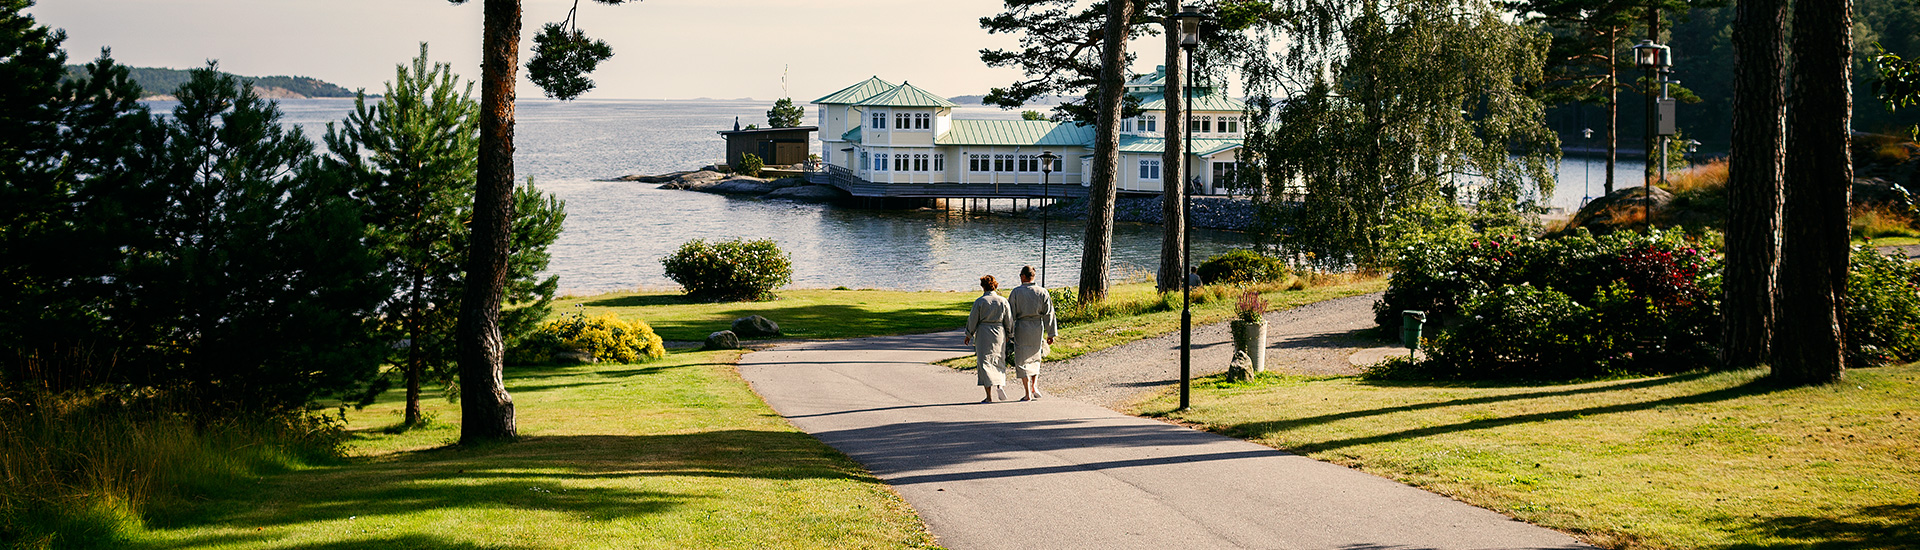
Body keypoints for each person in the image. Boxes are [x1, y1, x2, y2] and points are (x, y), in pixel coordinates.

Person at [1006, 265, 1057, 401]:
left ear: (1023, 276)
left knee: (1021, 359)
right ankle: (1034, 385)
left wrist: (1009, 333)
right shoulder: (1042, 292)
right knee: (1035, 356)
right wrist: (1051, 333)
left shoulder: (1016, 292)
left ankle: (1027, 392)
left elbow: (1010, 315)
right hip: (1036, 327)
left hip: (1022, 327)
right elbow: (1049, 313)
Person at [964, 274, 1012, 403]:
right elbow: (1008, 319)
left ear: (983, 286)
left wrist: (969, 334)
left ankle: (989, 396)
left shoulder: (980, 302)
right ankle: (1000, 385)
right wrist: (1009, 334)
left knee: (984, 361)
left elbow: (973, 319)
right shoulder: (1003, 301)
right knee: (999, 359)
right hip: (999, 332)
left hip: (984, 332)